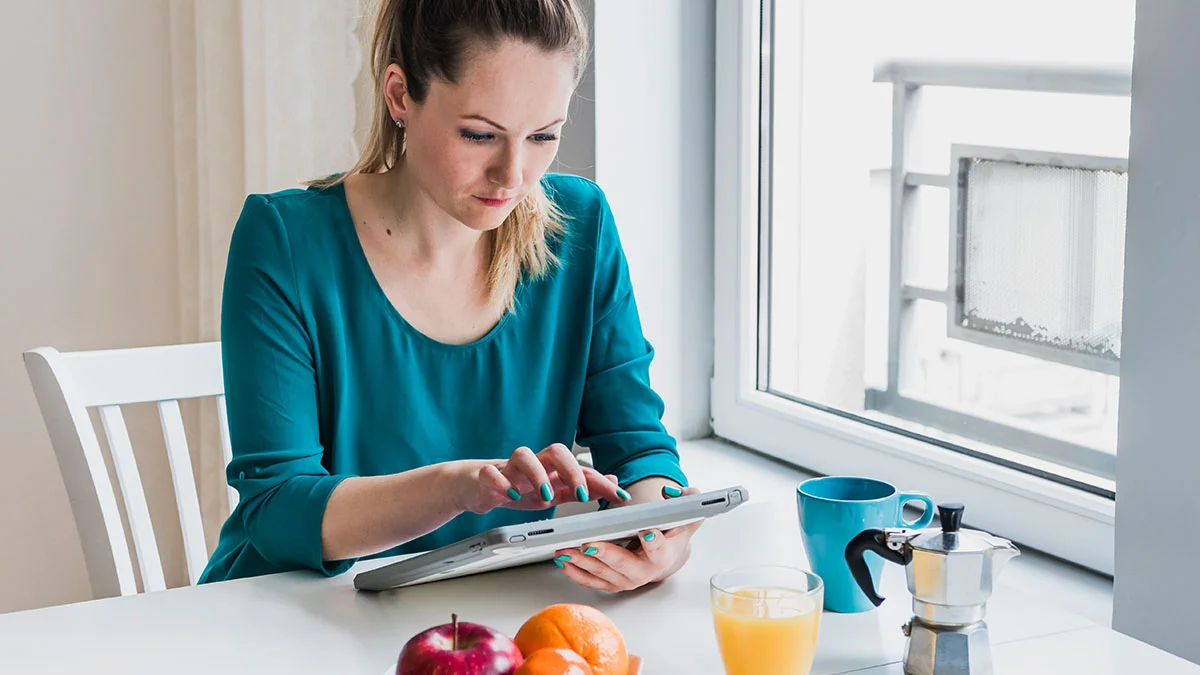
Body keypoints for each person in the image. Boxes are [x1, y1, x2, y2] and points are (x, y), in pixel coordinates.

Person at [199, 0, 700, 593]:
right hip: (287, 616)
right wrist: (462, 488)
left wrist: (658, 534)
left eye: (543, 136)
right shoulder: (283, 240)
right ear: (399, 95)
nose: (513, 174)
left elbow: (638, 444)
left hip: (484, 613)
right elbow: (278, 511)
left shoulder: (580, 225)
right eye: (480, 135)